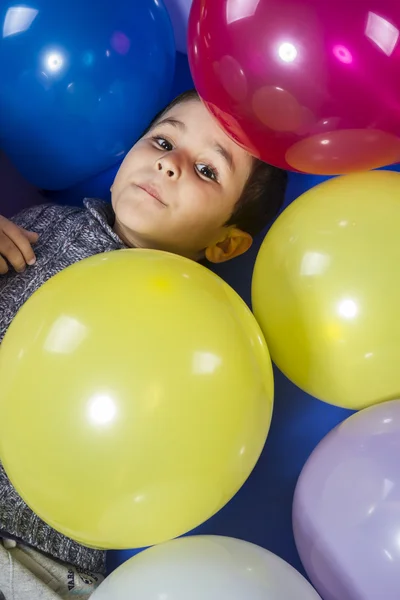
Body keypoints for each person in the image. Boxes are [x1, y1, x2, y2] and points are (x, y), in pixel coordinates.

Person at [0, 88, 287, 599]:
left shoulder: (204, 333)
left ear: (224, 243)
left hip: (35, 551)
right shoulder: (42, 225)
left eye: (206, 171)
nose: (170, 164)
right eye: (161, 142)